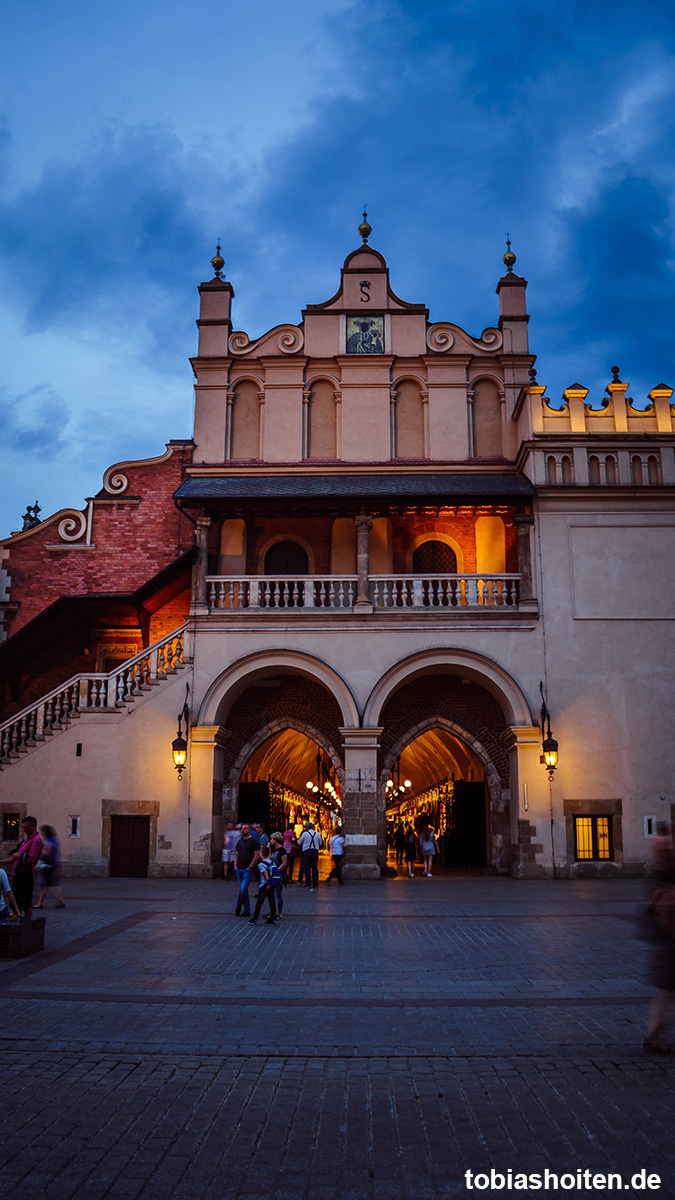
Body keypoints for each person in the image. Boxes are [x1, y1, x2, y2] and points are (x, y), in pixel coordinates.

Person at [0, 816, 42, 918]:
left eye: (26, 827)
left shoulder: (36, 840)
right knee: (16, 903)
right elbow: (14, 858)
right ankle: (16, 922)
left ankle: (28, 926)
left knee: (25, 904)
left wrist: (18, 856)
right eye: (22, 827)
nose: (23, 830)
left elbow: (31, 859)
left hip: (25, 876)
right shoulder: (27, 840)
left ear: (33, 826)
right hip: (18, 874)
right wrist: (2, 862)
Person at [34, 825, 65, 909]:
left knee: (45, 885)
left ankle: (40, 903)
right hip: (53, 864)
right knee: (52, 884)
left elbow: (46, 852)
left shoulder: (47, 841)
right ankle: (60, 901)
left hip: (47, 865)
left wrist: (38, 851)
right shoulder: (55, 840)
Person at [234, 823, 261, 917]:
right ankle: (247, 909)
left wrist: (250, 867)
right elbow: (236, 854)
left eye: (245, 829)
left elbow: (257, 855)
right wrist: (235, 866)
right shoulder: (239, 842)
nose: (242, 830)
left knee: (243, 889)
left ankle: (239, 904)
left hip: (247, 870)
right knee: (244, 889)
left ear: (249, 830)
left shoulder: (253, 842)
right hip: (239, 869)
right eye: (242, 828)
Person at [248, 848, 278, 926]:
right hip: (272, 884)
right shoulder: (272, 862)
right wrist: (271, 884)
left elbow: (265, 874)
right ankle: (272, 918)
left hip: (264, 885)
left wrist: (268, 883)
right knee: (272, 901)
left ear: (261, 854)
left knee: (259, 902)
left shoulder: (261, 864)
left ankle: (254, 919)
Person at [298, 821, 323, 890]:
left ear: (307, 828)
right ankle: (315, 883)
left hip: (307, 851)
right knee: (315, 867)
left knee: (307, 867)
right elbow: (320, 843)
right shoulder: (317, 834)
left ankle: (308, 883)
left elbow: (299, 842)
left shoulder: (305, 834)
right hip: (315, 851)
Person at [268, 833, 287, 917]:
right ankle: (272, 911)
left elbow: (284, 862)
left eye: (272, 839)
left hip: (278, 874)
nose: (270, 841)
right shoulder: (273, 849)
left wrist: (277, 871)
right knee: (271, 893)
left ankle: (279, 912)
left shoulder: (282, 850)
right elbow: (268, 860)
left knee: (278, 894)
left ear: (275, 840)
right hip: (271, 873)